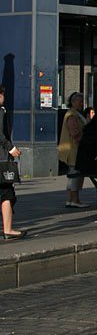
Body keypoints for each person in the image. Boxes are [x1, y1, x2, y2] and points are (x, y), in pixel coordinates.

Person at [58, 92, 90, 208]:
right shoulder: (72, 115)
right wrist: (84, 135)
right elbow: (75, 133)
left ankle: (71, 199)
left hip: (73, 149)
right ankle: (75, 199)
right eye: (79, 101)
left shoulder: (74, 114)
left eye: (82, 101)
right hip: (74, 149)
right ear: (73, 102)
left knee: (73, 174)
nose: (81, 103)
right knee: (76, 174)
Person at [0, 85, 25, 239]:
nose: (4, 97)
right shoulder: (0, 112)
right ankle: (8, 229)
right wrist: (11, 148)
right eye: (2, 94)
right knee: (6, 194)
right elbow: (1, 134)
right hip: (1, 159)